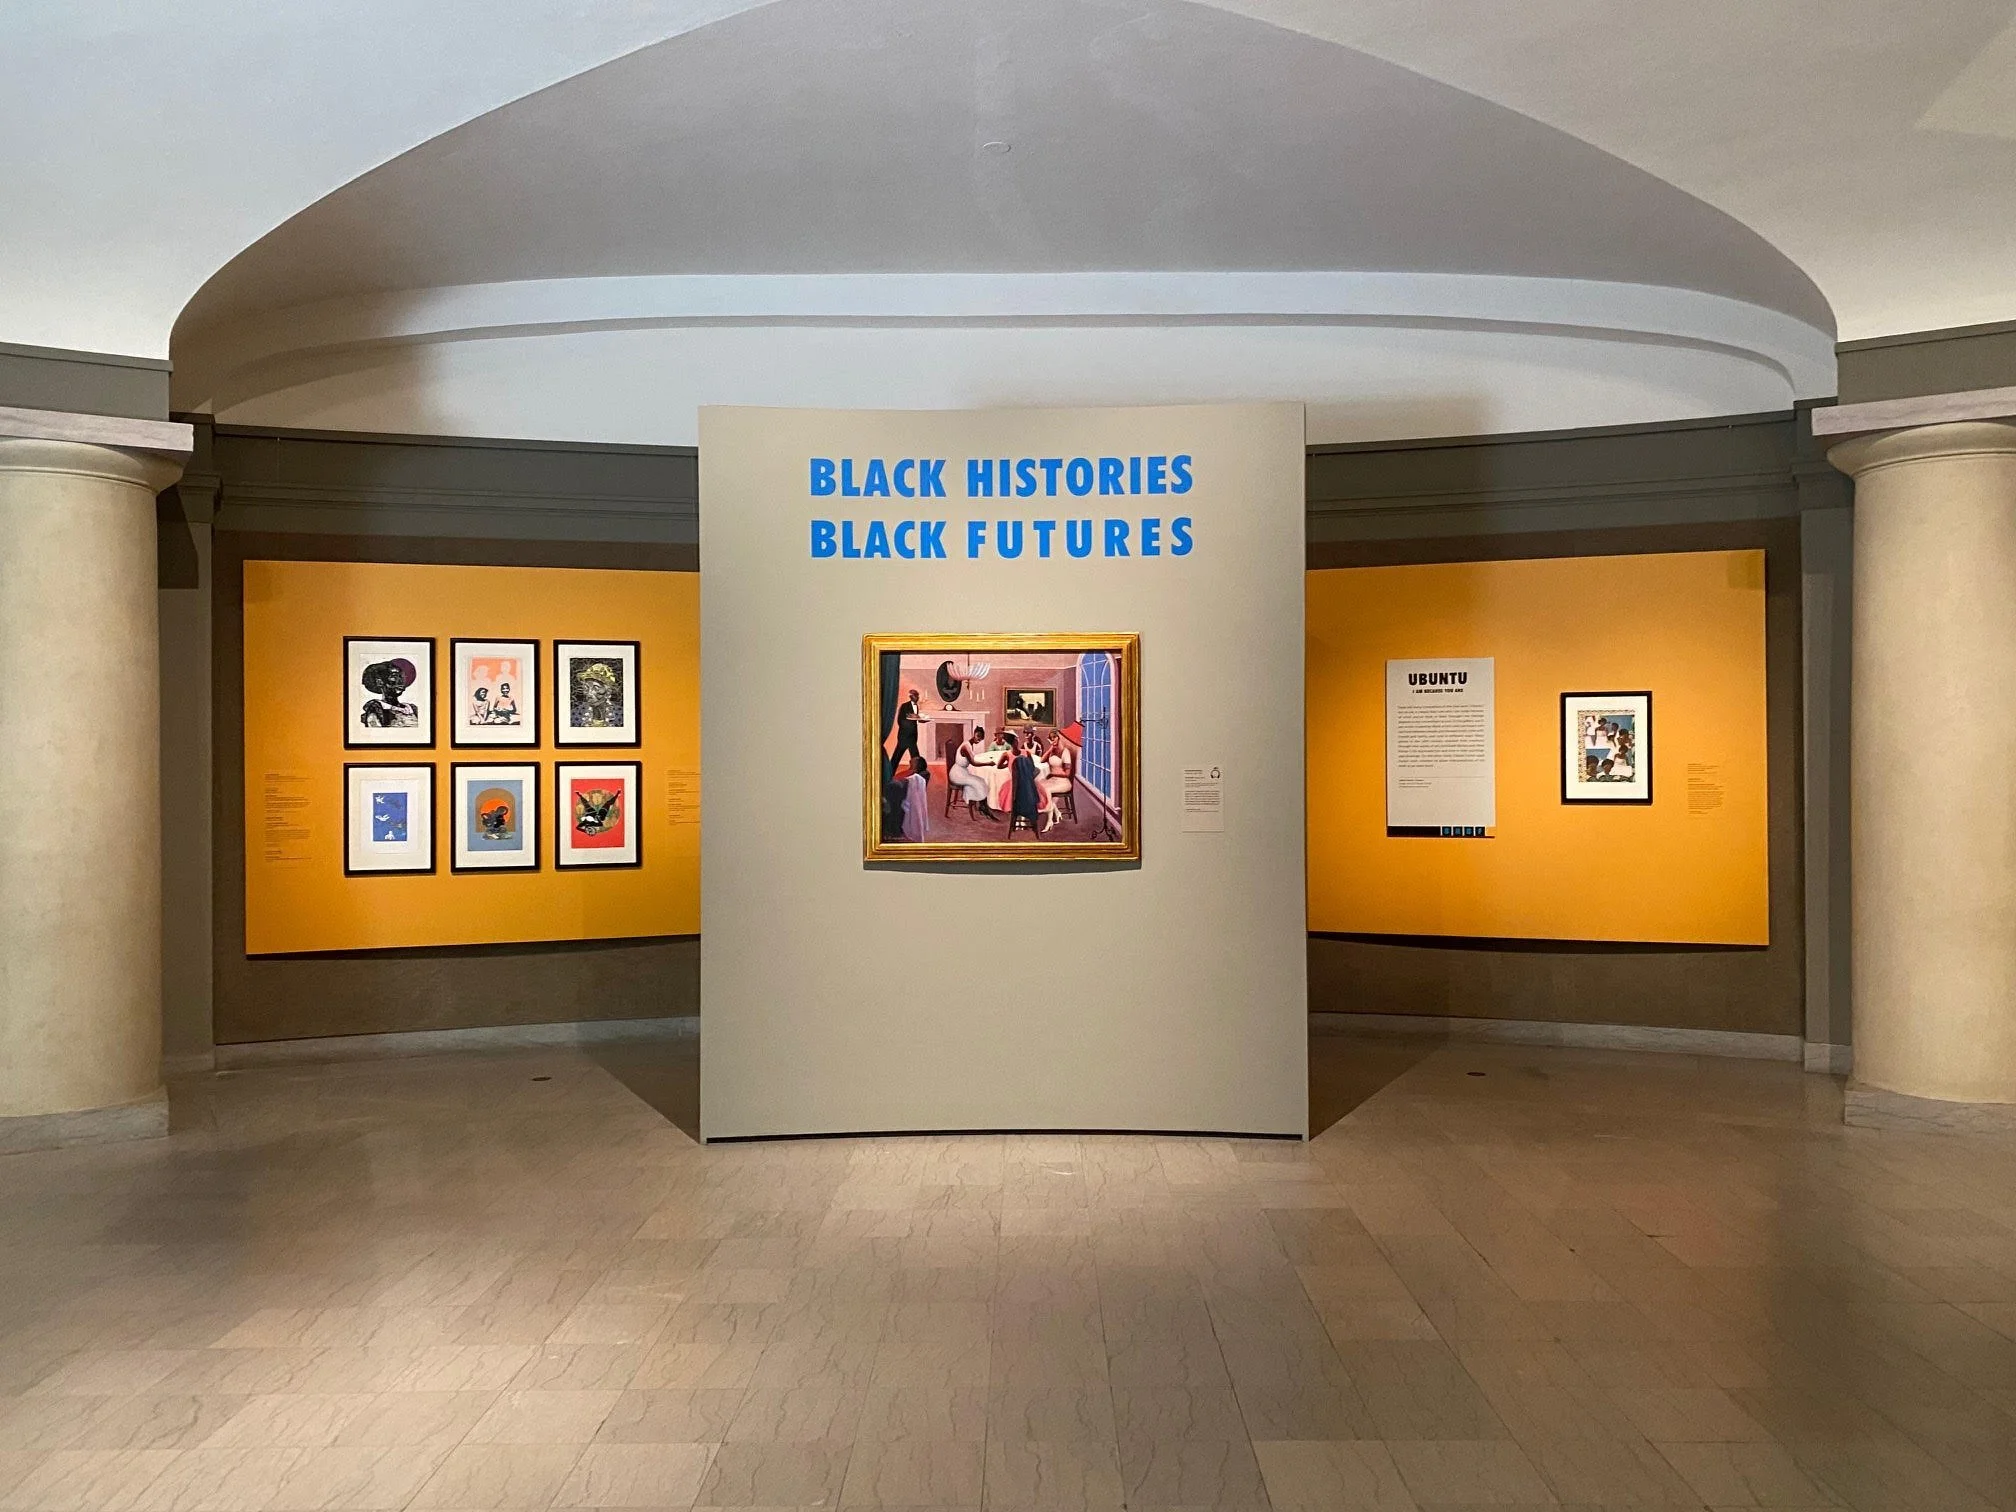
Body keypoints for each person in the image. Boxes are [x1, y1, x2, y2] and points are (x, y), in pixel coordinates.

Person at [950, 725, 993, 815]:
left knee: (981, 780)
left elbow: (970, 760)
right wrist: (988, 763)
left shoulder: (969, 744)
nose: (978, 740)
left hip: (961, 771)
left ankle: (982, 805)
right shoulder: (966, 746)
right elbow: (973, 763)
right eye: (978, 737)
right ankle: (982, 806)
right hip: (957, 774)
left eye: (980, 739)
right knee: (981, 782)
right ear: (974, 734)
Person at [887, 685, 925, 776]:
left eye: (917, 696)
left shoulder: (917, 706)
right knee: (897, 756)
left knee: (915, 756)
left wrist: (920, 720)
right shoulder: (904, 706)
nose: (917, 698)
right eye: (915, 696)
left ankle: (917, 774)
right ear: (911, 697)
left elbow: (915, 720)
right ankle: (889, 773)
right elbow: (900, 720)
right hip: (904, 736)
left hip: (912, 736)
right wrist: (910, 722)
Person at [1041, 732, 1075, 832]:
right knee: (1038, 784)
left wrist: (1052, 774)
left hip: (1063, 782)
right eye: (1051, 738)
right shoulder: (1052, 751)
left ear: (1059, 738)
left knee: (1046, 789)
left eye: (1054, 737)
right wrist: (1050, 749)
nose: (1053, 740)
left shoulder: (1065, 752)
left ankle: (1049, 820)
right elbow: (1042, 760)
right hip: (1053, 780)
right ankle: (1056, 811)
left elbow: (1067, 774)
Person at [1009, 733, 1042, 834]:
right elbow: (1033, 769)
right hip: (1028, 790)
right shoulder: (1024, 753)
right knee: (1032, 783)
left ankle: (1018, 817)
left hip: (1016, 790)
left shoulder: (1024, 752)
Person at [901, 755, 930, 842]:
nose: (911, 761)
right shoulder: (909, 775)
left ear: (917, 766)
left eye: (913, 762)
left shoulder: (915, 778)